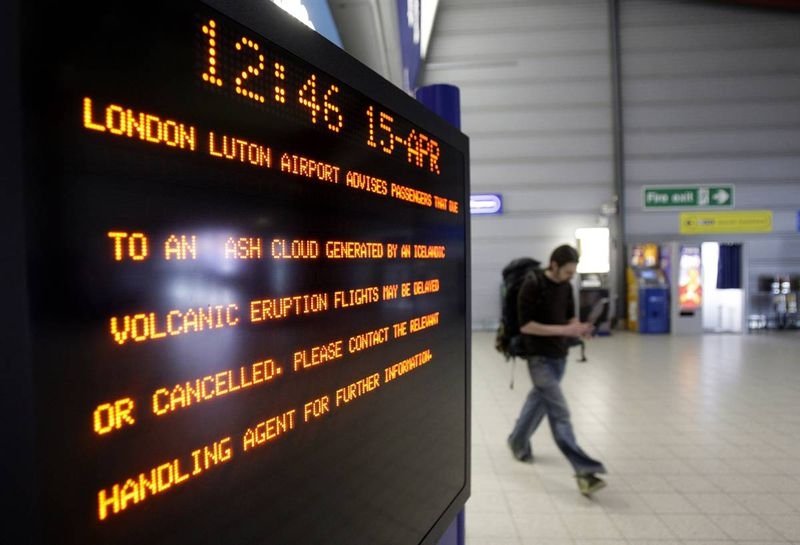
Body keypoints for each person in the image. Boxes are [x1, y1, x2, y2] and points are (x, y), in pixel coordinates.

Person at [506, 244, 607, 496]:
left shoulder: (566, 286)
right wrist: (565, 330)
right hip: (537, 357)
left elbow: (569, 318)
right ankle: (584, 470)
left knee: (538, 402)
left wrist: (579, 328)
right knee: (559, 412)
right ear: (554, 265)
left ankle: (517, 441)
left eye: (573, 273)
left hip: (559, 356)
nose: (570, 277)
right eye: (567, 272)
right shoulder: (532, 285)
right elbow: (526, 326)